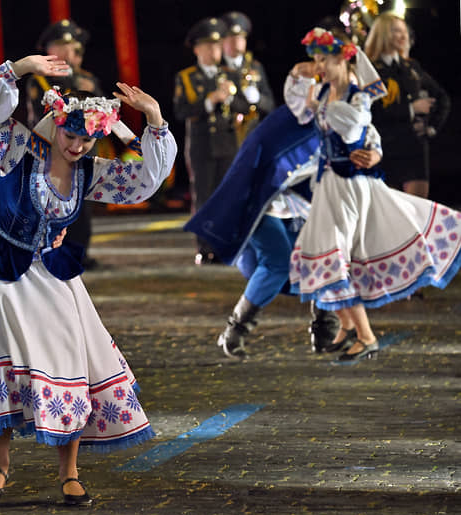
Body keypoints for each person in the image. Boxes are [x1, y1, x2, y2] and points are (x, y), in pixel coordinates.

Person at [0, 54, 176, 505]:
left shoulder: (88, 172)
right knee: (10, 361)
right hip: (4, 271)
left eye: (88, 139)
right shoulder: (16, 147)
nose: (77, 146)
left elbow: (147, 179)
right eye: (71, 135)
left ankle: (70, 472)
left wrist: (151, 119)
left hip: (54, 273)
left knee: (69, 361)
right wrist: (18, 68)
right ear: (56, 124)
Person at [285, 27, 461, 361]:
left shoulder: (356, 95)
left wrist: (371, 148)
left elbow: (355, 126)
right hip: (329, 185)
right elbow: (299, 108)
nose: (319, 65)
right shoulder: (323, 92)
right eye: (317, 59)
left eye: (325, 59)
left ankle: (365, 335)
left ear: (345, 61)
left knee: (332, 256)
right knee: (322, 255)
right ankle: (349, 326)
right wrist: (299, 75)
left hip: (350, 188)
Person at [185, 103, 383, 358]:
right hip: (263, 199)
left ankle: (327, 331)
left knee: (326, 261)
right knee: (277, 261)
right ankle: (235, 330)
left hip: (310, 203)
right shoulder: (304, 107)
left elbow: (369, 137)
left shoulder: (354, 118)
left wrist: (374, 154)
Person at [174, 17, 254, 265]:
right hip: (202, 144)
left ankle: (224, 243)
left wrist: (229, 99)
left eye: (217, 46)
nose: (214, 51)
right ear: (197, 49)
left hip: (228, 142)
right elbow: (181, 111)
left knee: (227, 195)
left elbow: (245, 105)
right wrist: (210, 100)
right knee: (204, 196)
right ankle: (205, 247)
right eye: (208, 46)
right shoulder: (186, 77)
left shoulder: (229, 74)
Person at [26, 19, 101, 270]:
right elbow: (40, 115)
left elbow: (102, 117)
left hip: (84, 152)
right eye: (60, 46)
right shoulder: (40, 81)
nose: (68, 52)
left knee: (83, 203)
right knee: (55, 203)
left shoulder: (88, 78)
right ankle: (54, 251)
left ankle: (81, 252)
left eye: (72, 46)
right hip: (53, 152)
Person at [364, 12, 450, 199]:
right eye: (396, 31)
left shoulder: (411, 67)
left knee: (418, 212)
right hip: (385, 147)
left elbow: (442, 98)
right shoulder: (370, 69)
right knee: (391, 214)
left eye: (404, 31)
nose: (403, 36)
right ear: (383, 33)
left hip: (414, 148)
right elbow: (369, 111)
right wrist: (411, 109)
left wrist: (432, 127)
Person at [220, 11, 275, 143]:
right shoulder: (216, 69)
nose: (236, 42)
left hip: (253, 135)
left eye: (240, 38)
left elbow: (271, 106)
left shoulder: (255, 67)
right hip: (224, 139)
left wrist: (258, 98)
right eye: (231, 38)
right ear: (222, 41)